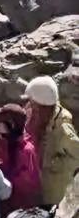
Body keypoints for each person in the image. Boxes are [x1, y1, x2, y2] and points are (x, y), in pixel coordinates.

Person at [23, 76, 79, 208]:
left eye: (32, 103)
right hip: (41, 184)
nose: (29, 105)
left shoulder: (62, 127)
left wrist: (55, 164)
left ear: (41, 104)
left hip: (54, 192)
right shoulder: (43, 117)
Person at [0, 103, 41, 213]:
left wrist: (3, 176)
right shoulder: (3, 141)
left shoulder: (26, 151)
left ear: (11, 125)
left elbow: (30, 184)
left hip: (18, 207)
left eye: (0, 123)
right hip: (3, 199)